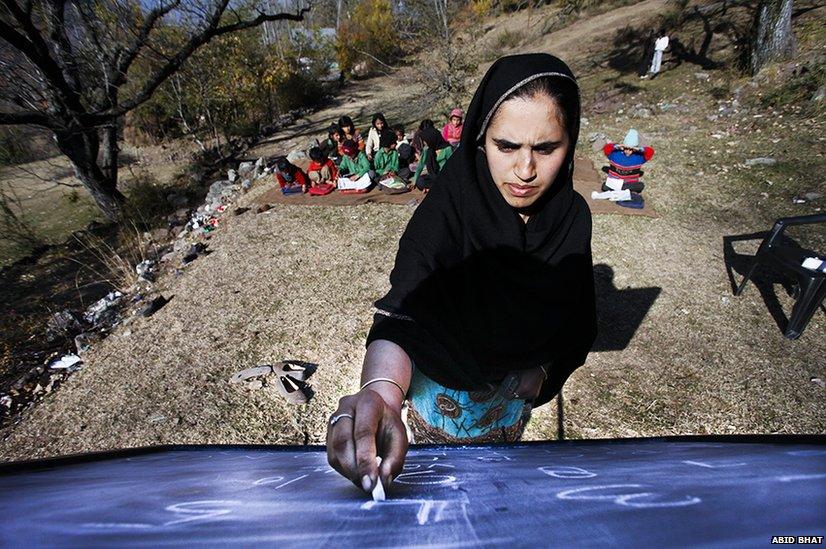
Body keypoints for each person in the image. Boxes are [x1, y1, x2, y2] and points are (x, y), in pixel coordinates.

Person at [326, 53, 597, 494]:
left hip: (509, 410)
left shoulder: (571, 220)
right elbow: (405, 310)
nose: (525, 171)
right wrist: (381, 393)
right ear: (479, 138)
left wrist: (545, 370)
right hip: (438, 402)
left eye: (546, 148)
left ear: (571, 142)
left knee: (491, 490)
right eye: (506, 146)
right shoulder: (448, 210)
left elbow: (577, 317)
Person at [601, 129, 655, 193]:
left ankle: (620, 189)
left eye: (631, 149)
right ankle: (623, 190)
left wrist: (639, 149)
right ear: (623, 147)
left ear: (635, 149)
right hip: (616, 182)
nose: (628, 151)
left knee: (640, 185)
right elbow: (606, 148)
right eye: (626, 148)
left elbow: (650, 152)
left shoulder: (638, 158)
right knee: (605, 186)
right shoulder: (615, 155)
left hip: (629, 183)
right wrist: (619, 145)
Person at [411, 125, 453, 191]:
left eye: (425, 141)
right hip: (433, 175)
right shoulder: (427, 149)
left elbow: (452, 166)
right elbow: (421, 164)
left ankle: (433, 188)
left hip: (444, 176)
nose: (424, 143)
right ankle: (434, 188)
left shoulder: (447, 149)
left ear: (432, 139)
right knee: (420, 181)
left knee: (446, 183)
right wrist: (414, 180)